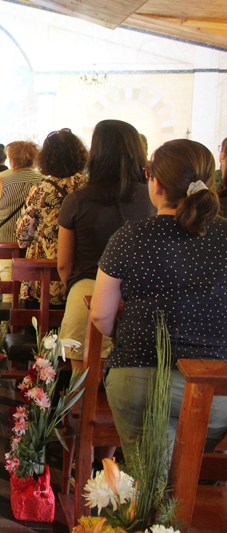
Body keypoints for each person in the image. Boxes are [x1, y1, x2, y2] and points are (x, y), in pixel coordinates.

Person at [90, 139, 227, 454]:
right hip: (217, 387)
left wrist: (122, 335)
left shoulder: (131, 236)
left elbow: (100, 314)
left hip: (140, 379)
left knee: (148, 473)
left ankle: (146, 496)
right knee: (190, 473)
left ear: (156, 183)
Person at [57, 120, 155, 372]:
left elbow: (64, 263)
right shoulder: (152, 199)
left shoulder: (77, 200)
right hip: (143, 300)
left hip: (88, 293)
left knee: (81, 385)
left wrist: (78, 290)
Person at [15, 129, 88, 306]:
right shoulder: (89, 187)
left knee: (42, 327)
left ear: (46, 158)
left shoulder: (42, 189)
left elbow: (23, 237)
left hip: (45, 277)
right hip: (81, 273)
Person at [0, 141, 42, 295]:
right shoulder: (43, 181)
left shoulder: (4, 182)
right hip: (34, 244)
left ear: (13, 161)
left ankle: (9, 315)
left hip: (8, 241)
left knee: (9, 283)